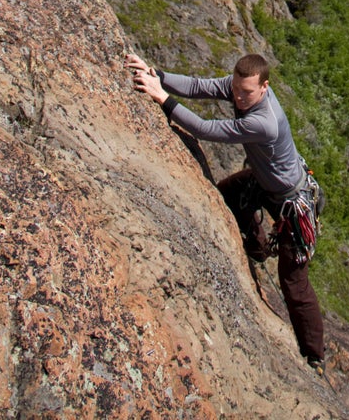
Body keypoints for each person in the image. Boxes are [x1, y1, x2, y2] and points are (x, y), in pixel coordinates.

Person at [125, 50, 325, 372]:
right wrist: (156, 75)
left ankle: (314, 353)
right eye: (236, 90)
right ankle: (257, 249)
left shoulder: (265, 122)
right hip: (266, 181)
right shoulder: (241, 88)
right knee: (229, 194)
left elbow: (206, 129)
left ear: (264, 87)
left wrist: (162, 98)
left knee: (293, 282)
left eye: (247, 93)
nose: (239, 98)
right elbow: (198, 86)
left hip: (291, 201)